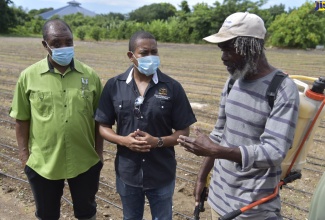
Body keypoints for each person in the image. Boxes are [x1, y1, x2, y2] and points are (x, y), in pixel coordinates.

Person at [177, 12, 300, 219]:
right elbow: (218, 136)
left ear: (251, 47)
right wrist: (201, 178)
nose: (223, 56)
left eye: (228, 48)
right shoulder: (233, 82)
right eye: (221, 49)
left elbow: (274, 152)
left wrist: (217, 150)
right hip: (218, 198)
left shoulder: (281, 89)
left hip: (252, 209)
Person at [94, 30, 196, 219]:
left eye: (154, 52)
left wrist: (157, 141)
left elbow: (183, 131)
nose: (151, 57)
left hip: (162, 172)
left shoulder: (172, 87)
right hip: (128, 172)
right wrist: (123, 141)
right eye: (144, 53)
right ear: (131, 56)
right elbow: (103, 127)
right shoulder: (114, 86)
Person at [9, 19, 103, 220]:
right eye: (56, 43)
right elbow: (21, 120)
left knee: (87, 213)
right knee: (47, 214)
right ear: (45, 45)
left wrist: (98, 155)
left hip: (85, 160)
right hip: (43, 163)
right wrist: (25, 158)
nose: (64, 47)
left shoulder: (90, 76)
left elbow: (99, 120)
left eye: (68, 42)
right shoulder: (28, 77)